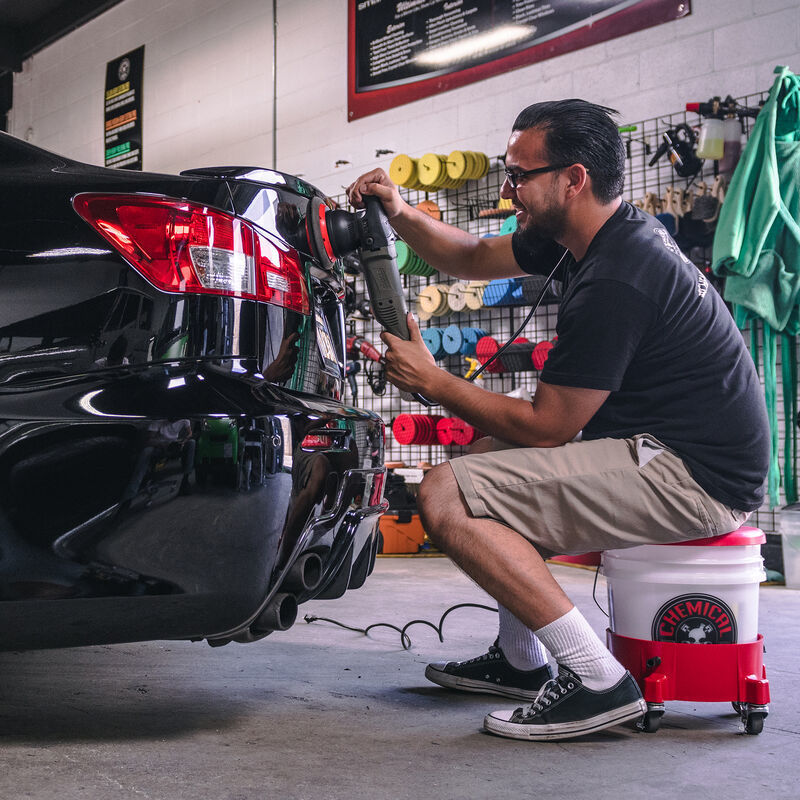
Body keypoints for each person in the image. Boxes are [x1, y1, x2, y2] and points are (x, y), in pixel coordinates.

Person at [347, 99, 770, 742]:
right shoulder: (590, 238)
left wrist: (432, 381)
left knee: (446, 493)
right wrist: (403, 213)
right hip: (663, 454)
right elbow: (471, 258)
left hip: (693, 478)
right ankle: (521, 664)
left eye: (519, 174)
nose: (508, 188)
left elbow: (548, 426)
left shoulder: (619, 276)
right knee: (487, 459)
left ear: (573, 179)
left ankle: (596, 678)